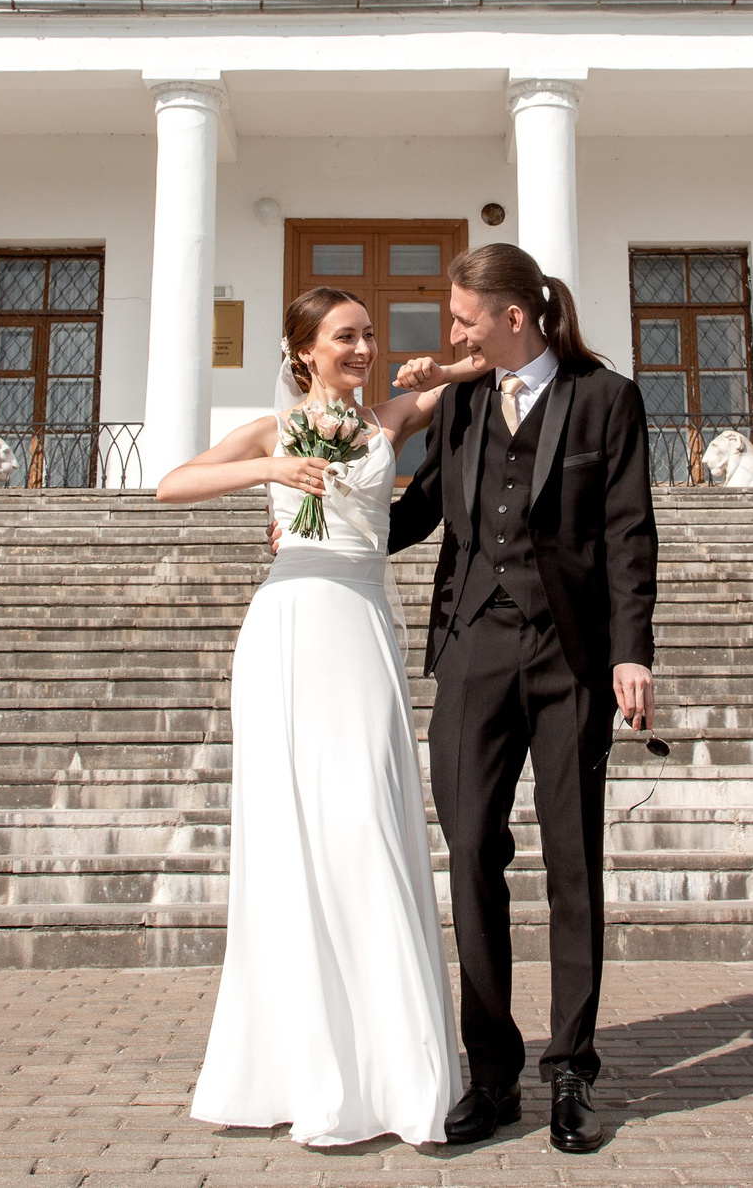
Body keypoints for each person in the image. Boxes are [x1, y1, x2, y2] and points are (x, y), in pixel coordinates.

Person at [155, 287, 489, 1149]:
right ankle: (299, 1067)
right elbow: (172, 484)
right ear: (302, 350)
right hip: (288, 626)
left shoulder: (384, 421)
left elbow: (487, 363)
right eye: (347, 336)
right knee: (291, 834)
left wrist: (439, 364)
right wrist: (268, 469)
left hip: (361, 623)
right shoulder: (271, 431)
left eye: (370, 335)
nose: (364, 347)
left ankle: (398, 1071)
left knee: (367, 822)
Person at [385, 242, 659, 1155]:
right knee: (469, 851)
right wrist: (326, 516)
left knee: (574, 858)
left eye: (463, 319)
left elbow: (627, 532)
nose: (450, 334)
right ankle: (492, 1069)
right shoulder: (461, 401)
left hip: (569, 654)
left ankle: (572, 1068)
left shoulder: (605, 398)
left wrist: (632, 653)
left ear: (513, 317)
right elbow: (420, 510)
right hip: (471, 649)